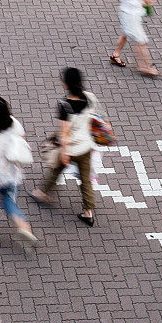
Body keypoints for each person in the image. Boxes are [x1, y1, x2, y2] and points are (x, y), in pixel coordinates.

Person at [31, 68, 100, 227]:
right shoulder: (90, 98)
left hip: (71, 149)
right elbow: (94, 117)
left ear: (66, 84)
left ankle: (42, 193)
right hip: (86, 145)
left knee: (56, 169)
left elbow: (65, 133)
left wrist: (64, 153)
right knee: (85, 179)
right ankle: (88, 212)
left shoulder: (65, 105)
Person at [0, 96, 37, 246]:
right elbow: (22, 141)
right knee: (8, 202)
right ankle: (25, 228)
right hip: (11, 171)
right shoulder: (14, 123)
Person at [109, 0, 160, 78]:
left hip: (136, 13)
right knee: (142, 41)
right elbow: (132, 1)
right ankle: (145, 67)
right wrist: (145, 2)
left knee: (125, 33)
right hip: (129, 15)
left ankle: (115, 55)